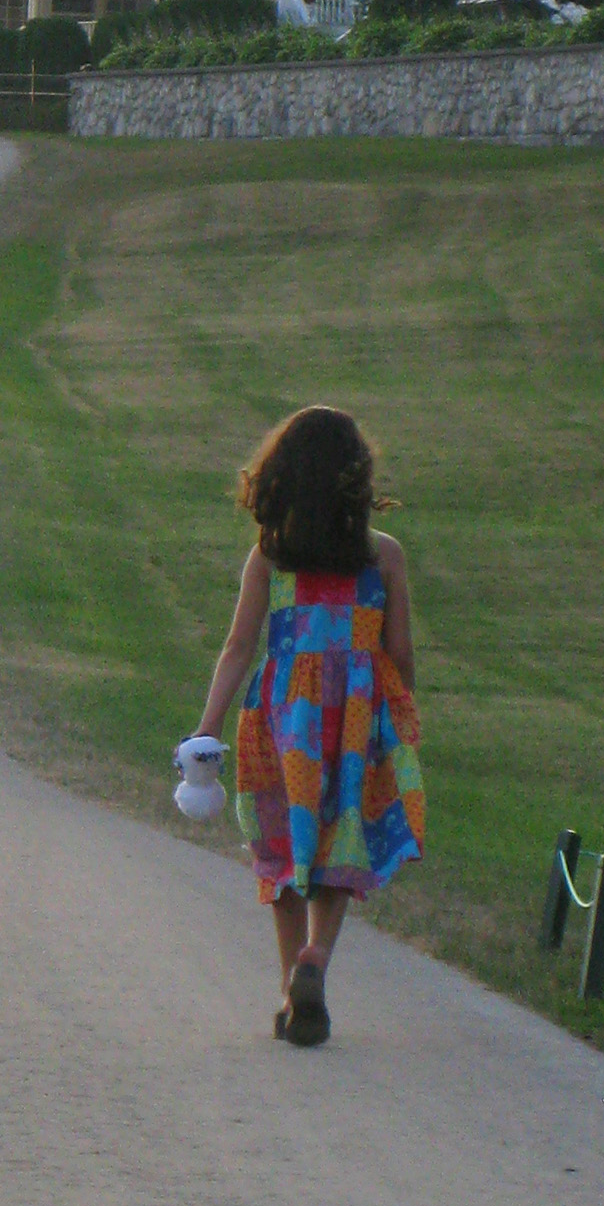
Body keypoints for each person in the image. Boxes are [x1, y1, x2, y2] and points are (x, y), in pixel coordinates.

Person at [191, 404, 422, 1048]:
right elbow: (399, 656)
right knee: (339, 836)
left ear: (282, 478)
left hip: (281, 721)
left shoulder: (269, 558)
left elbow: (239, 647)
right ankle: (317, 957)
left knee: (283, 846)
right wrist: (397, 717)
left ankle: (289, 986)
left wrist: (206, 727)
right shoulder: (385, 558)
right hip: (351, 725)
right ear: (356, 481)